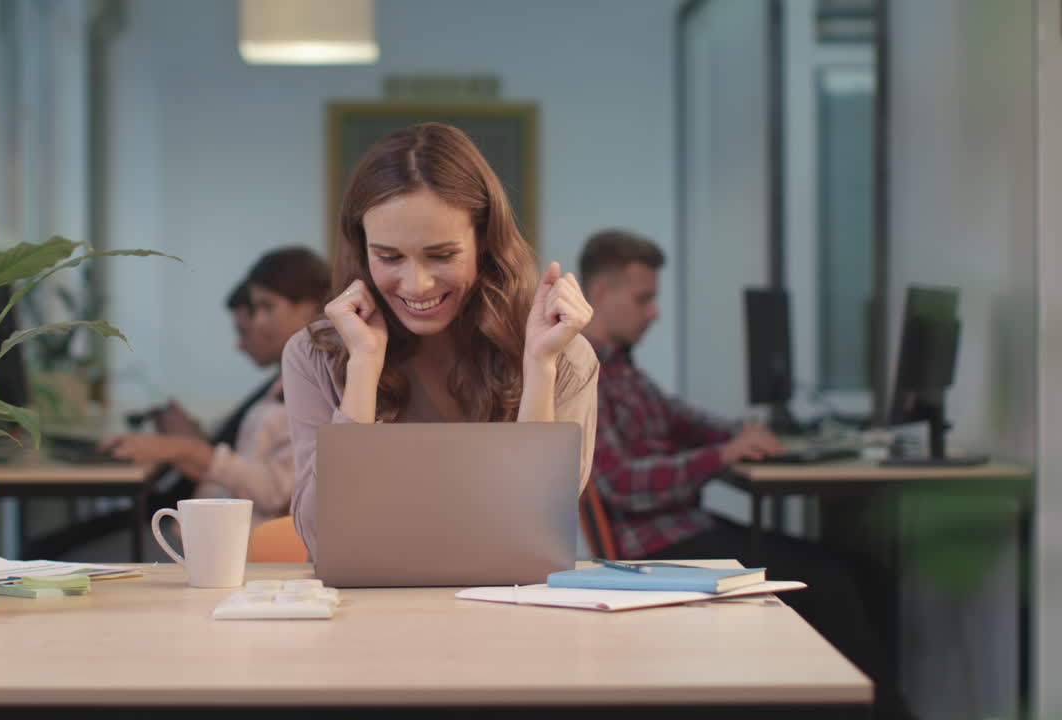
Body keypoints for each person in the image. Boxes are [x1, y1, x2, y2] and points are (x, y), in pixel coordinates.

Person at [577, 227, 913, 720]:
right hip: (654, 553)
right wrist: (723, 455)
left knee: (867, 572)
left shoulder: (624, 369)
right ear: (600, 293)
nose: (654, 313)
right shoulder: (586, 372)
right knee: (835, 582)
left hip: (686, 532)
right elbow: (622, 483)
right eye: (643, 299)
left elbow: (681, 419)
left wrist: (740, 432)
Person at [282, 122, 599, 561]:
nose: (416, 284)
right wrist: (363, 368)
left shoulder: (563, 353)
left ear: (485, 241)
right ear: (361, 248)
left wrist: (540, 368)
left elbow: (539, 531)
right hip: (365, 618)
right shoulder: (314, 354)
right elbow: (322, 537)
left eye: (442, 255)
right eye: (389, 257)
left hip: (511, 615)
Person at [102, 246, 331, 528]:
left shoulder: (316, 386)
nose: (257, 322)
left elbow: (275, 491)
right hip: (213, 532)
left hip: (236, 542)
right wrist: (191, 446)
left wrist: (188, 449)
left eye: (267, 307)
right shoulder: (284, 383)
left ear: (308, 308)